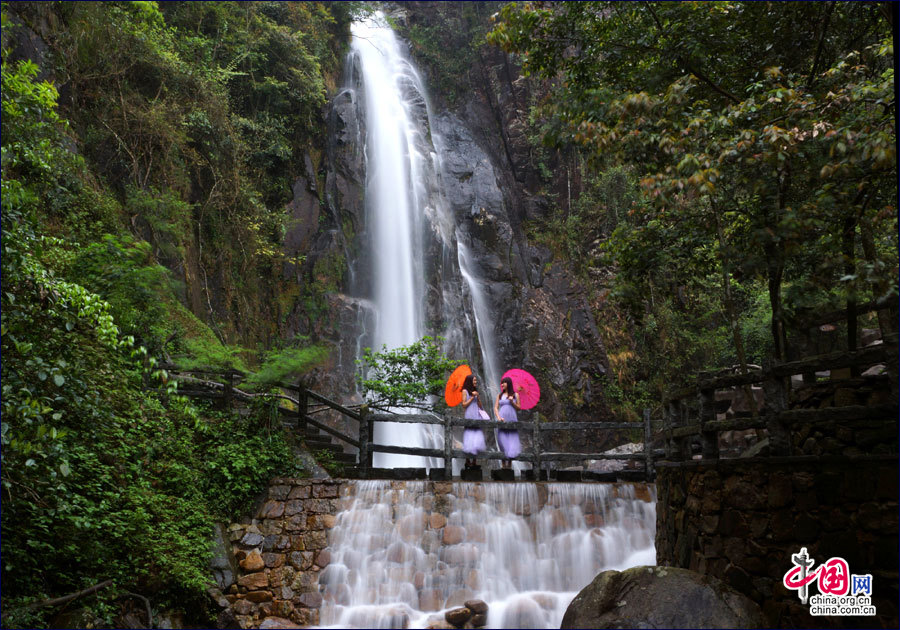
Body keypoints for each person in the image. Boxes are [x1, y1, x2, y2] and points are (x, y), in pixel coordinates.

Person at [493, 376, 521, 468]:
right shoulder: (499, 395)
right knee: (502, 441)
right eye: (501, 383)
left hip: (512, 419)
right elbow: (495, 407)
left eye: (504, 382)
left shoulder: (515, 395)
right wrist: (498, 417)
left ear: (508, 383)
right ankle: (503, 464)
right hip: (502, 419)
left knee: (511, 441)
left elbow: (519, 408)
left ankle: (509, 464)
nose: (502, 384)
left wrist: (512, 402)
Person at [461, 374, 486, 468]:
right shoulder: (465, 391)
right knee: (469, 436)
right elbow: (464, 405)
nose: (476, 382)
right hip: (469, 414)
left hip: (476, 414)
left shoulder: (475, 391)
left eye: (476, 380)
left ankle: (474, 461)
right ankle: (467, 460)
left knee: (477, 437)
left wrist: (478, 397)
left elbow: (480, 406)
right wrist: (472, 397)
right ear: (470, 381)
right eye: (474, 380)